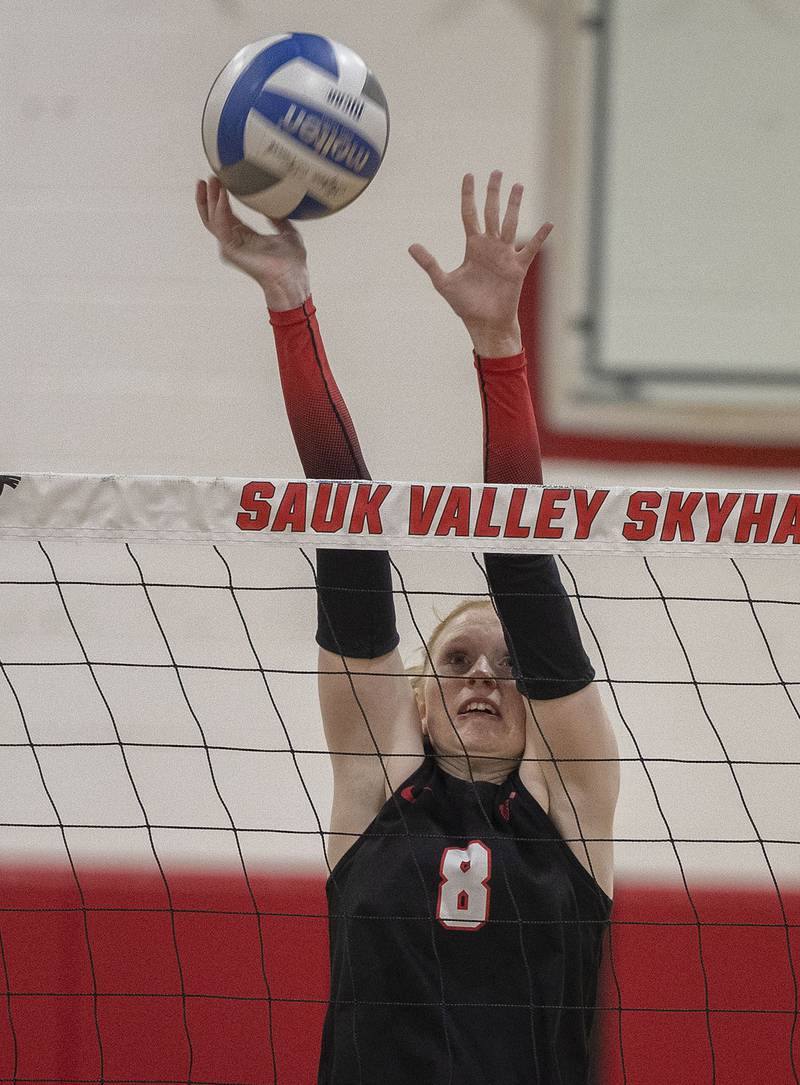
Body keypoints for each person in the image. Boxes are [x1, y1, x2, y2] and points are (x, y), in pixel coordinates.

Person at [197, 170, 619, 1084]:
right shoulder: (376, 788)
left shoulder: (571, 805)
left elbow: (520, 561)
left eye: (508, 668)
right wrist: (288, 299)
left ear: (539, 703)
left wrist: (499, 342)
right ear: (417, 698)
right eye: (457, 658)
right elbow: (346, 525)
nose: (481, 677)